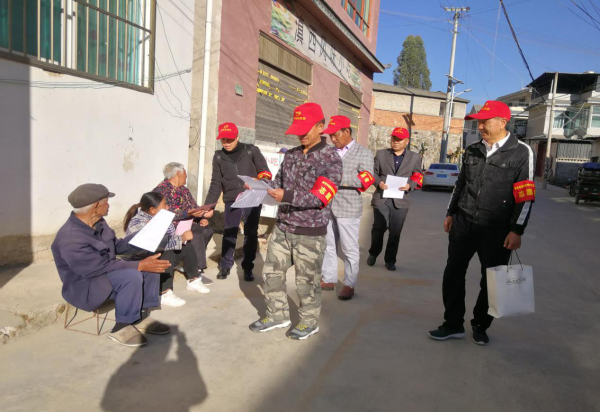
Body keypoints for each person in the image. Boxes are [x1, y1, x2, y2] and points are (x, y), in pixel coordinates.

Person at [428, 101, 535, 346]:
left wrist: (516, 230)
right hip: (464, 222)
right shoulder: (472, 150)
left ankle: (480, 324)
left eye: (485, 121)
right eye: (479, 121)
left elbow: (525, 194)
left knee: (492, 280)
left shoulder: (521, 152)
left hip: (497, 228)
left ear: (502, 122)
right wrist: (450, 213)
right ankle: (453, 323)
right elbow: (460, 184)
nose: (481, 126)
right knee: (453, 273)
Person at [248, 102, 343, 340]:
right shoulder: (290, 155)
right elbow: (278, 183)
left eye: (306, 128)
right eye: (298, 129)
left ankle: (309, 322)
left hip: (309, 232)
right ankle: (277, 315)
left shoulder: (331, 158)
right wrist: (260, 187)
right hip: (283, 227)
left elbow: (321, 197)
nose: (301, 134)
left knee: (306, 283)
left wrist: (287, 196)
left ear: (321, 127)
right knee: (271, 274)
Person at [51, 184, 172, 347]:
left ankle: (142, 315)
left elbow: (118, 246)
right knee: (132, 273)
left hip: (105, 275)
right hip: (86, 287)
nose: (108, 205)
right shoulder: (71, 238)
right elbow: (96, 268)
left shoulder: (98, 222)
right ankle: (122, 326)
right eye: (106, 202)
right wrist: (138, 265)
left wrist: (146, 236)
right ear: (95, 206)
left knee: (151, 266)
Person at [204, 122, 272, 281]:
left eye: (230, 140)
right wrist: (209, 206)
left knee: (250, 233)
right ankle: (225, 265)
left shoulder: (251, 150)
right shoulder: (219, 156)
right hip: (231, 199)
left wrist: (257, 179)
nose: (226, 143)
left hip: (251, 197)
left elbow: (266, 172)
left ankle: (248, 266)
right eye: (223, 140)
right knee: (229, 232)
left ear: (238, 137)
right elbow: (215, 183)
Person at [320, 116, 374, 301]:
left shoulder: (363, 153)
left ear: (347, 132)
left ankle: (349, 283)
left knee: (349, 248)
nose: (333, 139)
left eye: (336, 135)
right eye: (330, 136)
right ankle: (328, 278)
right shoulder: (327, 151)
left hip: (348, 207)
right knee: (328, 245)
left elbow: (366, 179)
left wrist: (338, 178)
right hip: (327, 205)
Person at [124, 192, 210, 307]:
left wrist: (182, 237)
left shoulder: (162, 217)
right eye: (164, 205)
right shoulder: (137, 222)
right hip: (144, 259)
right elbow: (154, 244)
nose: (167, 207)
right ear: (152, 210)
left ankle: (193, 279)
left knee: (187, 245)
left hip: (159, 256)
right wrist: (182, 237)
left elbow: (172, 235)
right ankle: (163, 293)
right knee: (167, 250)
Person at [367, 127, 423, 271]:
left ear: (406, 141)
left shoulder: (415, 157)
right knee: (378, 229)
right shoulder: (381, 154)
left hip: (400, 201)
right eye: (394, 139)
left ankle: (390, 260)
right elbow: (372, 172)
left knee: (395, 232)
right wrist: (378, 182)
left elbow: (418, 175)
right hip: (382, 198)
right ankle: (373, 253)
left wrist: (410, 185)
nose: (396, 142)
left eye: (399, 139)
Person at [153, 162, 214, 284]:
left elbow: (194, 208)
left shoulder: (184, 190)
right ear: (178, 174)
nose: (186, 177)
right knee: (195, 236)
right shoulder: (161, 191)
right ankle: (195, 273)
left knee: (206, 231)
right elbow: (165, 214)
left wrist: (201, 216)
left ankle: (192, 265)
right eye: (185, 174)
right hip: (171, 228)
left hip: (188, 224)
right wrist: (188, 214)